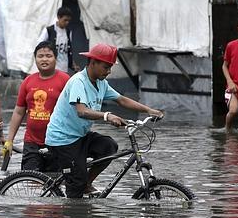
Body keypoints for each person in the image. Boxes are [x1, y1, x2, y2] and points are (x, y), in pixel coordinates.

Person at [45, 43, 163, 198]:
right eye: (106, 67)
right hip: (63, 140)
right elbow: (82, 111)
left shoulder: (101, 83)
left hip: (79, 135)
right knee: (76, 186)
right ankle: (72, 215)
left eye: (110, 67)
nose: (109, 71)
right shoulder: (78, 82)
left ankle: (87, 183)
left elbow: (121, 99)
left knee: (109, 147)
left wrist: (148, 110)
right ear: (93, 62)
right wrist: (107, 116)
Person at [3, 41, 70, 171]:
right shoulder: (28, 82)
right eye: (40, 56)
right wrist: (9, 140)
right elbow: (18, 112)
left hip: (57, 141)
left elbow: (74, 111)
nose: (44, 59)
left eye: (48, 56)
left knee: (53, 184)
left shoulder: (65, 80)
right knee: (28, 180)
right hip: (31, 142)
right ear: (35, 59)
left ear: (55, 58)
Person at [38, 7, 78, 73]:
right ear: (59, 17)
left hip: (64, 68)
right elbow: (39, 45)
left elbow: (68, 51)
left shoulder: (68, 32)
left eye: (68, 20)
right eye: (65, 20)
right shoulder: (49, 31)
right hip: (52, 68)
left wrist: (73, 64)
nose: (67, 22)